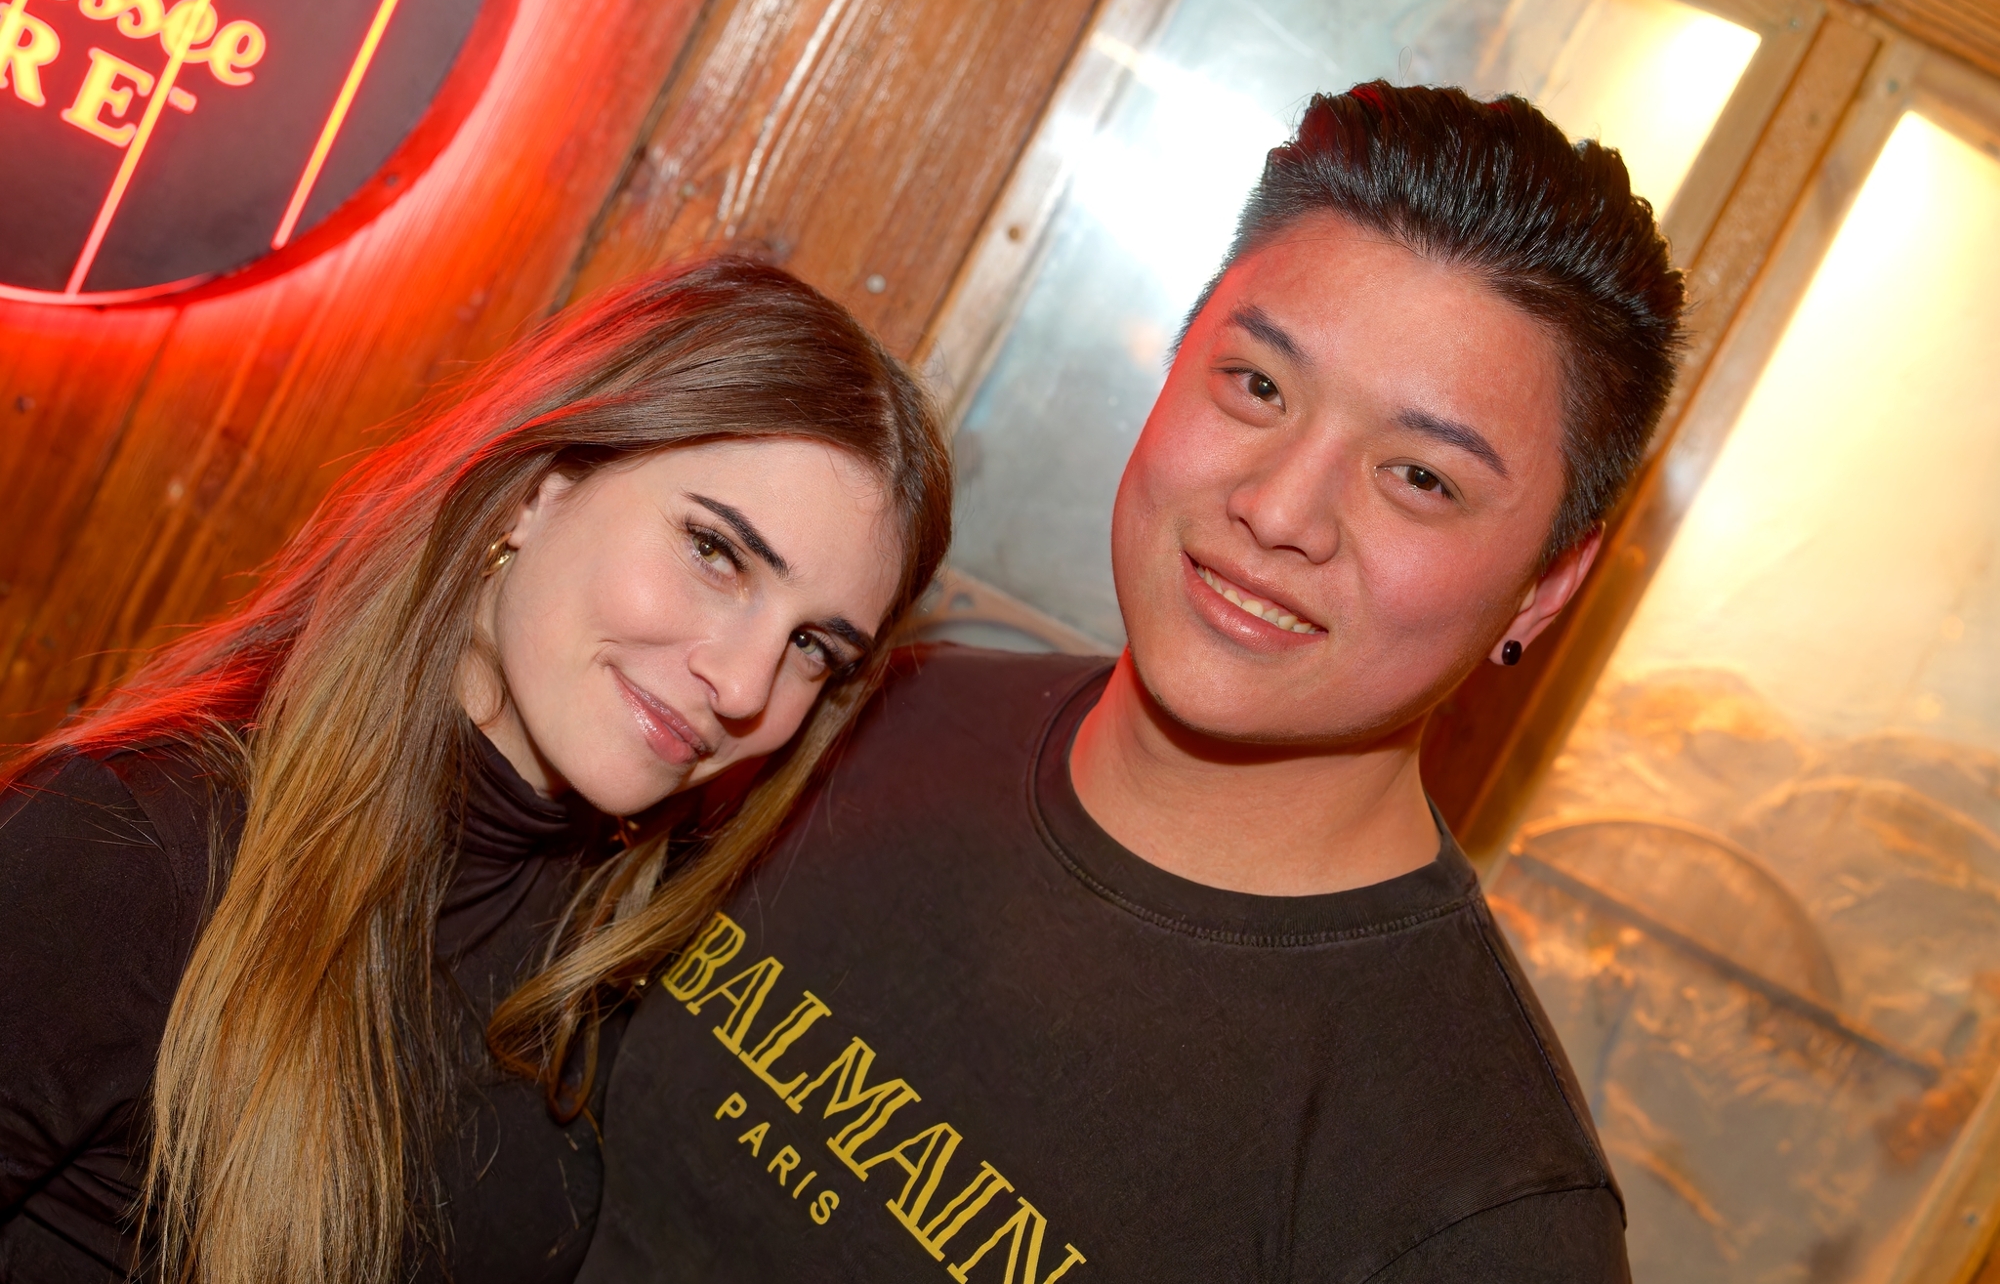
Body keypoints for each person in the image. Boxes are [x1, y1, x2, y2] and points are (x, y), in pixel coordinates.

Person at [578, 83, 1683, 1281]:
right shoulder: (859, 714)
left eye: (1418, 476)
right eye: (1257, 387)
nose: (1277, 509)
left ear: (1542, 588)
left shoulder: (1480, 1210)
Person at [0, 257, 952, 1284]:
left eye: (813, 646)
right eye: (715, 552)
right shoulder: (128, 854)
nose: (743, 683)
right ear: (536, 494)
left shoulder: (621, 952)